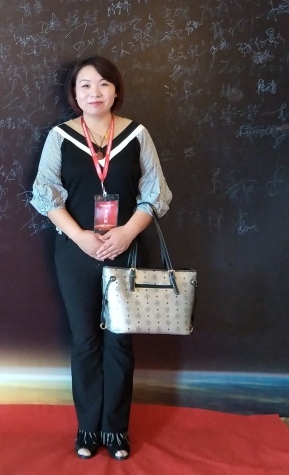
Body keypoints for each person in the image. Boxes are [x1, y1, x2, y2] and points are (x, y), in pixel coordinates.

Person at [31, 55, 172, 461]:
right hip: (75, 252)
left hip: (126, 250)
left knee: (120, 341)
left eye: (103, 84)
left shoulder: (137, 135)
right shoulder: (60, 136)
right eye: (85, 85)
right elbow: (45, 193)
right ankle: (88, 428)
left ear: (116, 90)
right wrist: (80, 237)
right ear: (75, 94)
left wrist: (126, 233)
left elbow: (156, 193)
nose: (95, 92)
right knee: (84, 339)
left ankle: (116, 429)